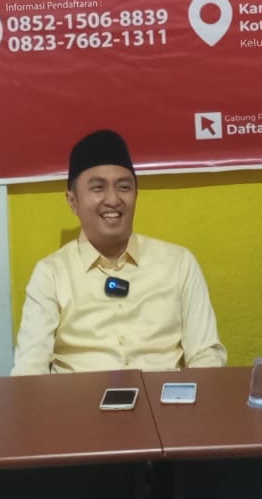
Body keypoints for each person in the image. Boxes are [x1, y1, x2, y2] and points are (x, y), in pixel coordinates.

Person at [11, 129, 226, 374]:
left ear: (136, 195)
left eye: (123, 187)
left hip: (162, 395)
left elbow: (206, 355)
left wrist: (192, 397)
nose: (113, 200)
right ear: (73, 202)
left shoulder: (179, 263)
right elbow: (30, 368)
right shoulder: (51, 273)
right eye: (98, 188)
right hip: (79, 397)